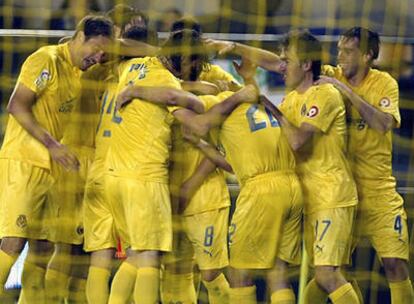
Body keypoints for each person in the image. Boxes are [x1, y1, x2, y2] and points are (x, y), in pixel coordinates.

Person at [0, 15, 113, 303]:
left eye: (104, 53)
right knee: (14, 241)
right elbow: (17, 104)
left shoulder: (78, 71)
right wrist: (53, 145)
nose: (99, 57)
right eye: (96, 49)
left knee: (43, 248)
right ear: (79, 37)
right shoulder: (45, 59)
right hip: (24, 162)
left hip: (51, 168)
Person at [260, 30, 360, 304]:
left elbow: (297, 141)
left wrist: (268, 107)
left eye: (286, 60)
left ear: (306, 64)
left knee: (328, 276)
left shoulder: (324, 94)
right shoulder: (291, 98)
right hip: (306, 198)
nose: (281, 66)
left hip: (331, 196)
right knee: (322, 276)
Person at [318, 26, 413, 304]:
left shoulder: (384, 83)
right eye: (339, 50)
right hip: (340, 193)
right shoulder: (330, 74)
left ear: (368, 55)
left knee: (395, 264)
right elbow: (285, 64)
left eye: (348, 51)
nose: (340, 57)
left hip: (379, 192)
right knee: (332, 272)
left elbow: (383, 124)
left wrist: (345, 91)